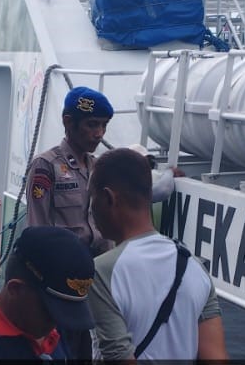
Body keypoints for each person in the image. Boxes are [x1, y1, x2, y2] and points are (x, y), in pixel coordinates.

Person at [87, 147, 228, 361]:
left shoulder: (102, 272)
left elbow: (118, 357)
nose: (91, 209)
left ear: (108, 198)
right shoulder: (194, 265)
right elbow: (215, 357)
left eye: (92, 198)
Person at [27, 86, 115, 256]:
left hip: (97, 264)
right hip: (63, 264)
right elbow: (37, 229)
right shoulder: (46, 166)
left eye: (104, 125)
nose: (100, 133)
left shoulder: (97, 167)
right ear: (68, 122)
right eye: (92, 124)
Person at [0, 226, 95, 360]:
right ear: (15, 289)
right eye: (52, 310)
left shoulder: (66, 329)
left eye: (70, 311)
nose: (59, 320)